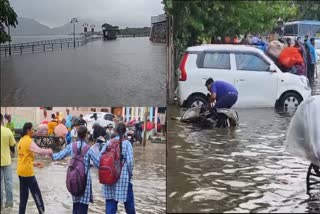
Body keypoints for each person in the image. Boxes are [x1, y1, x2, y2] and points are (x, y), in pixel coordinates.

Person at [51, 125, 98, 214]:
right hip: (85, 181)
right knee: (83, 207)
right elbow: (98, 163)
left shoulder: (72, 146)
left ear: (77, 135)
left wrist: (50, 154)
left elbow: (59, 155)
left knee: (75, 206)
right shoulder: (88, 149)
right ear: (85, 135)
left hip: (74, 179)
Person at [91, 122, 135, 214]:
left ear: (115, 131)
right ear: (125, 131)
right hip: (124, 178)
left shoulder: (108, 143)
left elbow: (100, 160)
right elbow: (130, 163)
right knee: (129, 203)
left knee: (110, 203)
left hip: (109, 177)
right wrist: (130, 175)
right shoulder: (127, 144)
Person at [17, 122, 52, 214]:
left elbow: (24, 158)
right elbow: (39, 151)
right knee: (37, 195)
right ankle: (42, 212)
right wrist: (49, 151)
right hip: (28, 173)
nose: (33, 131)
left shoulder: (21, 140)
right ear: (28, 131)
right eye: (32, 129)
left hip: (21, 172)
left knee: (23, 198)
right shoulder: (28, 141)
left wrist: (34, 163)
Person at [1, 113, 16, 208]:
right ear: (2, 120)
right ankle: (10, 205)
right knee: (8, 183)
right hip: (6, 161)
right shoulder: (7, 131)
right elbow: (13, 145)